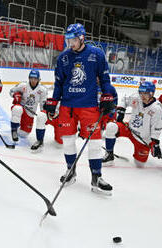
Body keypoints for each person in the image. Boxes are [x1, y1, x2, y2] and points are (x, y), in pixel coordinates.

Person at [43, 23, 117, 195]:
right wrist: (54, 100)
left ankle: (96, 176)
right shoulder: (63, 58)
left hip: (89, 106)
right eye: (68, 39)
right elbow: (59, 83)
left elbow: (105, 80)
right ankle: (71, 170)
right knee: (68, 141)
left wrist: (107, 96)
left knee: (95, 142)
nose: (71, 43)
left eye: (74, 39)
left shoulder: (96, 54)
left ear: (82, 38)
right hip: (68, 106)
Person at [103, 81, 162, 167]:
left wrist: (155, 143)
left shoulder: (157, 108)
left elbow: (157, 127)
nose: (142, 96)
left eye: (145, 93)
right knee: (111, 126)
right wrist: (121, 110)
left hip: (143, 139)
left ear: (152, 93)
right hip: (129, 129)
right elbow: (125, 99)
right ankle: (109, 155)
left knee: (139, 164)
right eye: (141, 93)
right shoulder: (136, 98)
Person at [9, 70, 50, 150]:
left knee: (24, 134)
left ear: (39, 79)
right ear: (29, 78)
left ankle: (20, 128)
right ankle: (14, 130)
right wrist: (15, 95)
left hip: (30, 113)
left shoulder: (42, 90)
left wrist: (45, 114)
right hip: (21, 108)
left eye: (35, 79)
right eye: (31, 78)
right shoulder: (22, 85)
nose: (33, 80)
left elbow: (43, 105)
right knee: (17, 109)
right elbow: (11, 91)